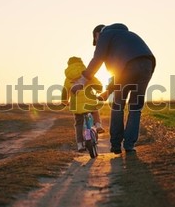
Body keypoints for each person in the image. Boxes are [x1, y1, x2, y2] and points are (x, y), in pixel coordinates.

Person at [73, 23, 156, 154]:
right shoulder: (127, 36)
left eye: (96, 40)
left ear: (97, 34)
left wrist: (82, 81)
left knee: (118, 105)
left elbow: (98, 59)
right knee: (135, 107)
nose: (97, 43)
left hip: (128, 67)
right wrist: (108, 92)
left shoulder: (105, 35)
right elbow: (117, 72)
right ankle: (129, 146)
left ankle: (116, 145)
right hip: (147, 65)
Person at [62, 56, 105, 152]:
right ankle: (98, 125)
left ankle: (80, 144)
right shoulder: (86, 73)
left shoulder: (68, 78)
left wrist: (64, 101)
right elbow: (95, 82)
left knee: (79, 123)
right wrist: (99, 89)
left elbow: (65, 91)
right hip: (89, 99)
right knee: (94, 110)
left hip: (76, 104)